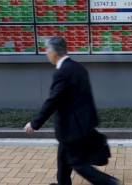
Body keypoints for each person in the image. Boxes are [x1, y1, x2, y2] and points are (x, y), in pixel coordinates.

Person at [24, 36, 121, 185]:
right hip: (82, 123)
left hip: (72, 127)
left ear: (54, 52)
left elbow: (52, 101)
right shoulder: (78, 67)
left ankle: (108, 182)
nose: (46, 54)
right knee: (63, 157)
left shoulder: (62, 72)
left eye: (47, 50)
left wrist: (34, 123)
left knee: (76, 162)